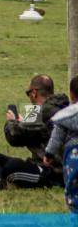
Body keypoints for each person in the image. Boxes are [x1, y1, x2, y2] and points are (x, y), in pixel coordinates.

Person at [0, 74, 68, 189]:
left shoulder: (38, 111)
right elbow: (34, 133)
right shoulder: (64, 107)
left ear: (34, 93)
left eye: (28, 93)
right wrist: (22, 123)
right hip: (48, 166)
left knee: (12, 166)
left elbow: (14, 137)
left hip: (52, 172)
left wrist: (11, 121)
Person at [44, 76, 78, 215]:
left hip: (71, 159)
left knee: (73, 189)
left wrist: (13, 122)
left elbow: (22, 132)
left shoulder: (37, 110)